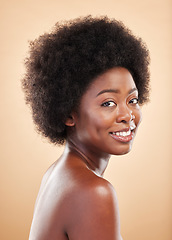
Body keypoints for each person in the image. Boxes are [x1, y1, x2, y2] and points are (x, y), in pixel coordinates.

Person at [22, 15, 150, 240]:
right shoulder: (92, 191)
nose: (127, 115)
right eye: (108, 103)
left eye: (133, 100)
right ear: (68, 113)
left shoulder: (59, 173)